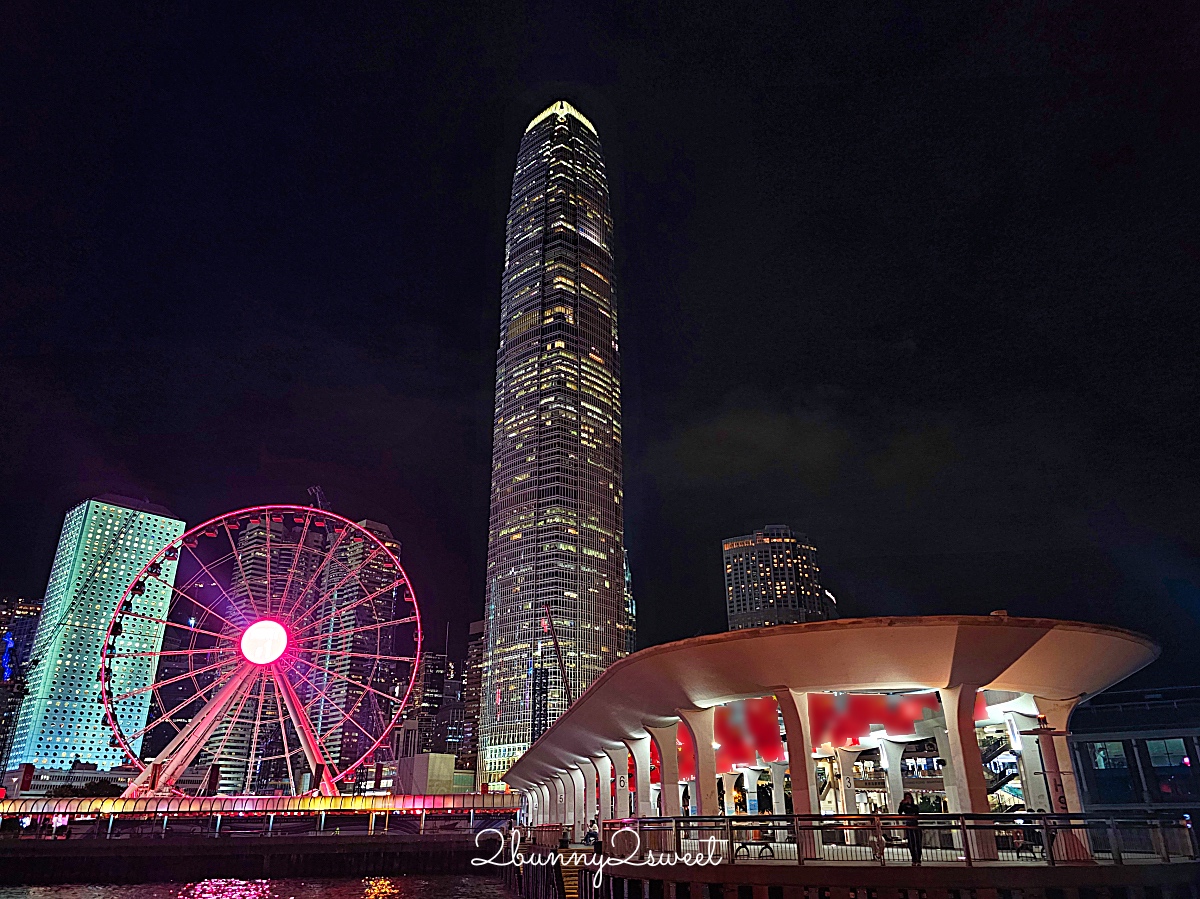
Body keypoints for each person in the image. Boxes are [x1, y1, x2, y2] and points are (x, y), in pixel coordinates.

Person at [897, 792, 922, 866]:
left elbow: (917, 812)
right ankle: (914, 859)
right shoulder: (904, 806)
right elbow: (900, 812)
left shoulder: (915, 806)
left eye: (909, 798)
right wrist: (902, 804)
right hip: (909, 825)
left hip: (915, 825)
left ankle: (918, 859)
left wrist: (910, 806)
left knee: (918, 843)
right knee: (911, 843)